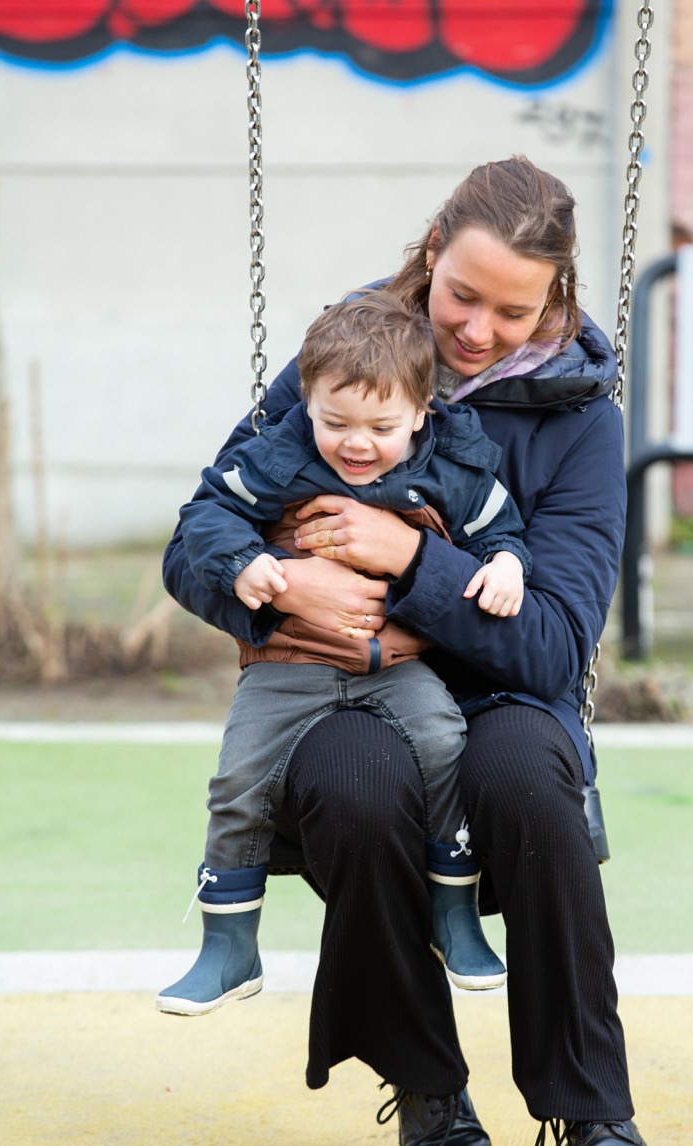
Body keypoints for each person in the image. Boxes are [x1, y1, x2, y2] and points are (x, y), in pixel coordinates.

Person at [162, 156, 663, 1146]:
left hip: (501, 695)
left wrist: (405, 558)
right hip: (344, 683)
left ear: (556, 298)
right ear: (432, 252)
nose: (475, 329)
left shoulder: (579, 420)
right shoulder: (350, 362)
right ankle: (428, 1085)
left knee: (528, 775)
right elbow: (197, 538)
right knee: (349, 782)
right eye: (461, 295)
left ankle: (589, 1105)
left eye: (511, 310)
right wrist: (278, 587)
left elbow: (556, 645)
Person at [157, 292, 531, 1010]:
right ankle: (228, 946)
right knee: (237, 780)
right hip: (288, 668)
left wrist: (506, 565)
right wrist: (242, 561)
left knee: (443, 742)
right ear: (307, 402)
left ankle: (453, 916)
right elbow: (207, 513)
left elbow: (499, 528)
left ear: (422, 411)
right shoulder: (281, 457)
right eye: (335, 423)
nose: (357, 444)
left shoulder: (450, 467)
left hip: (395, 668)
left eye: (381, 427)